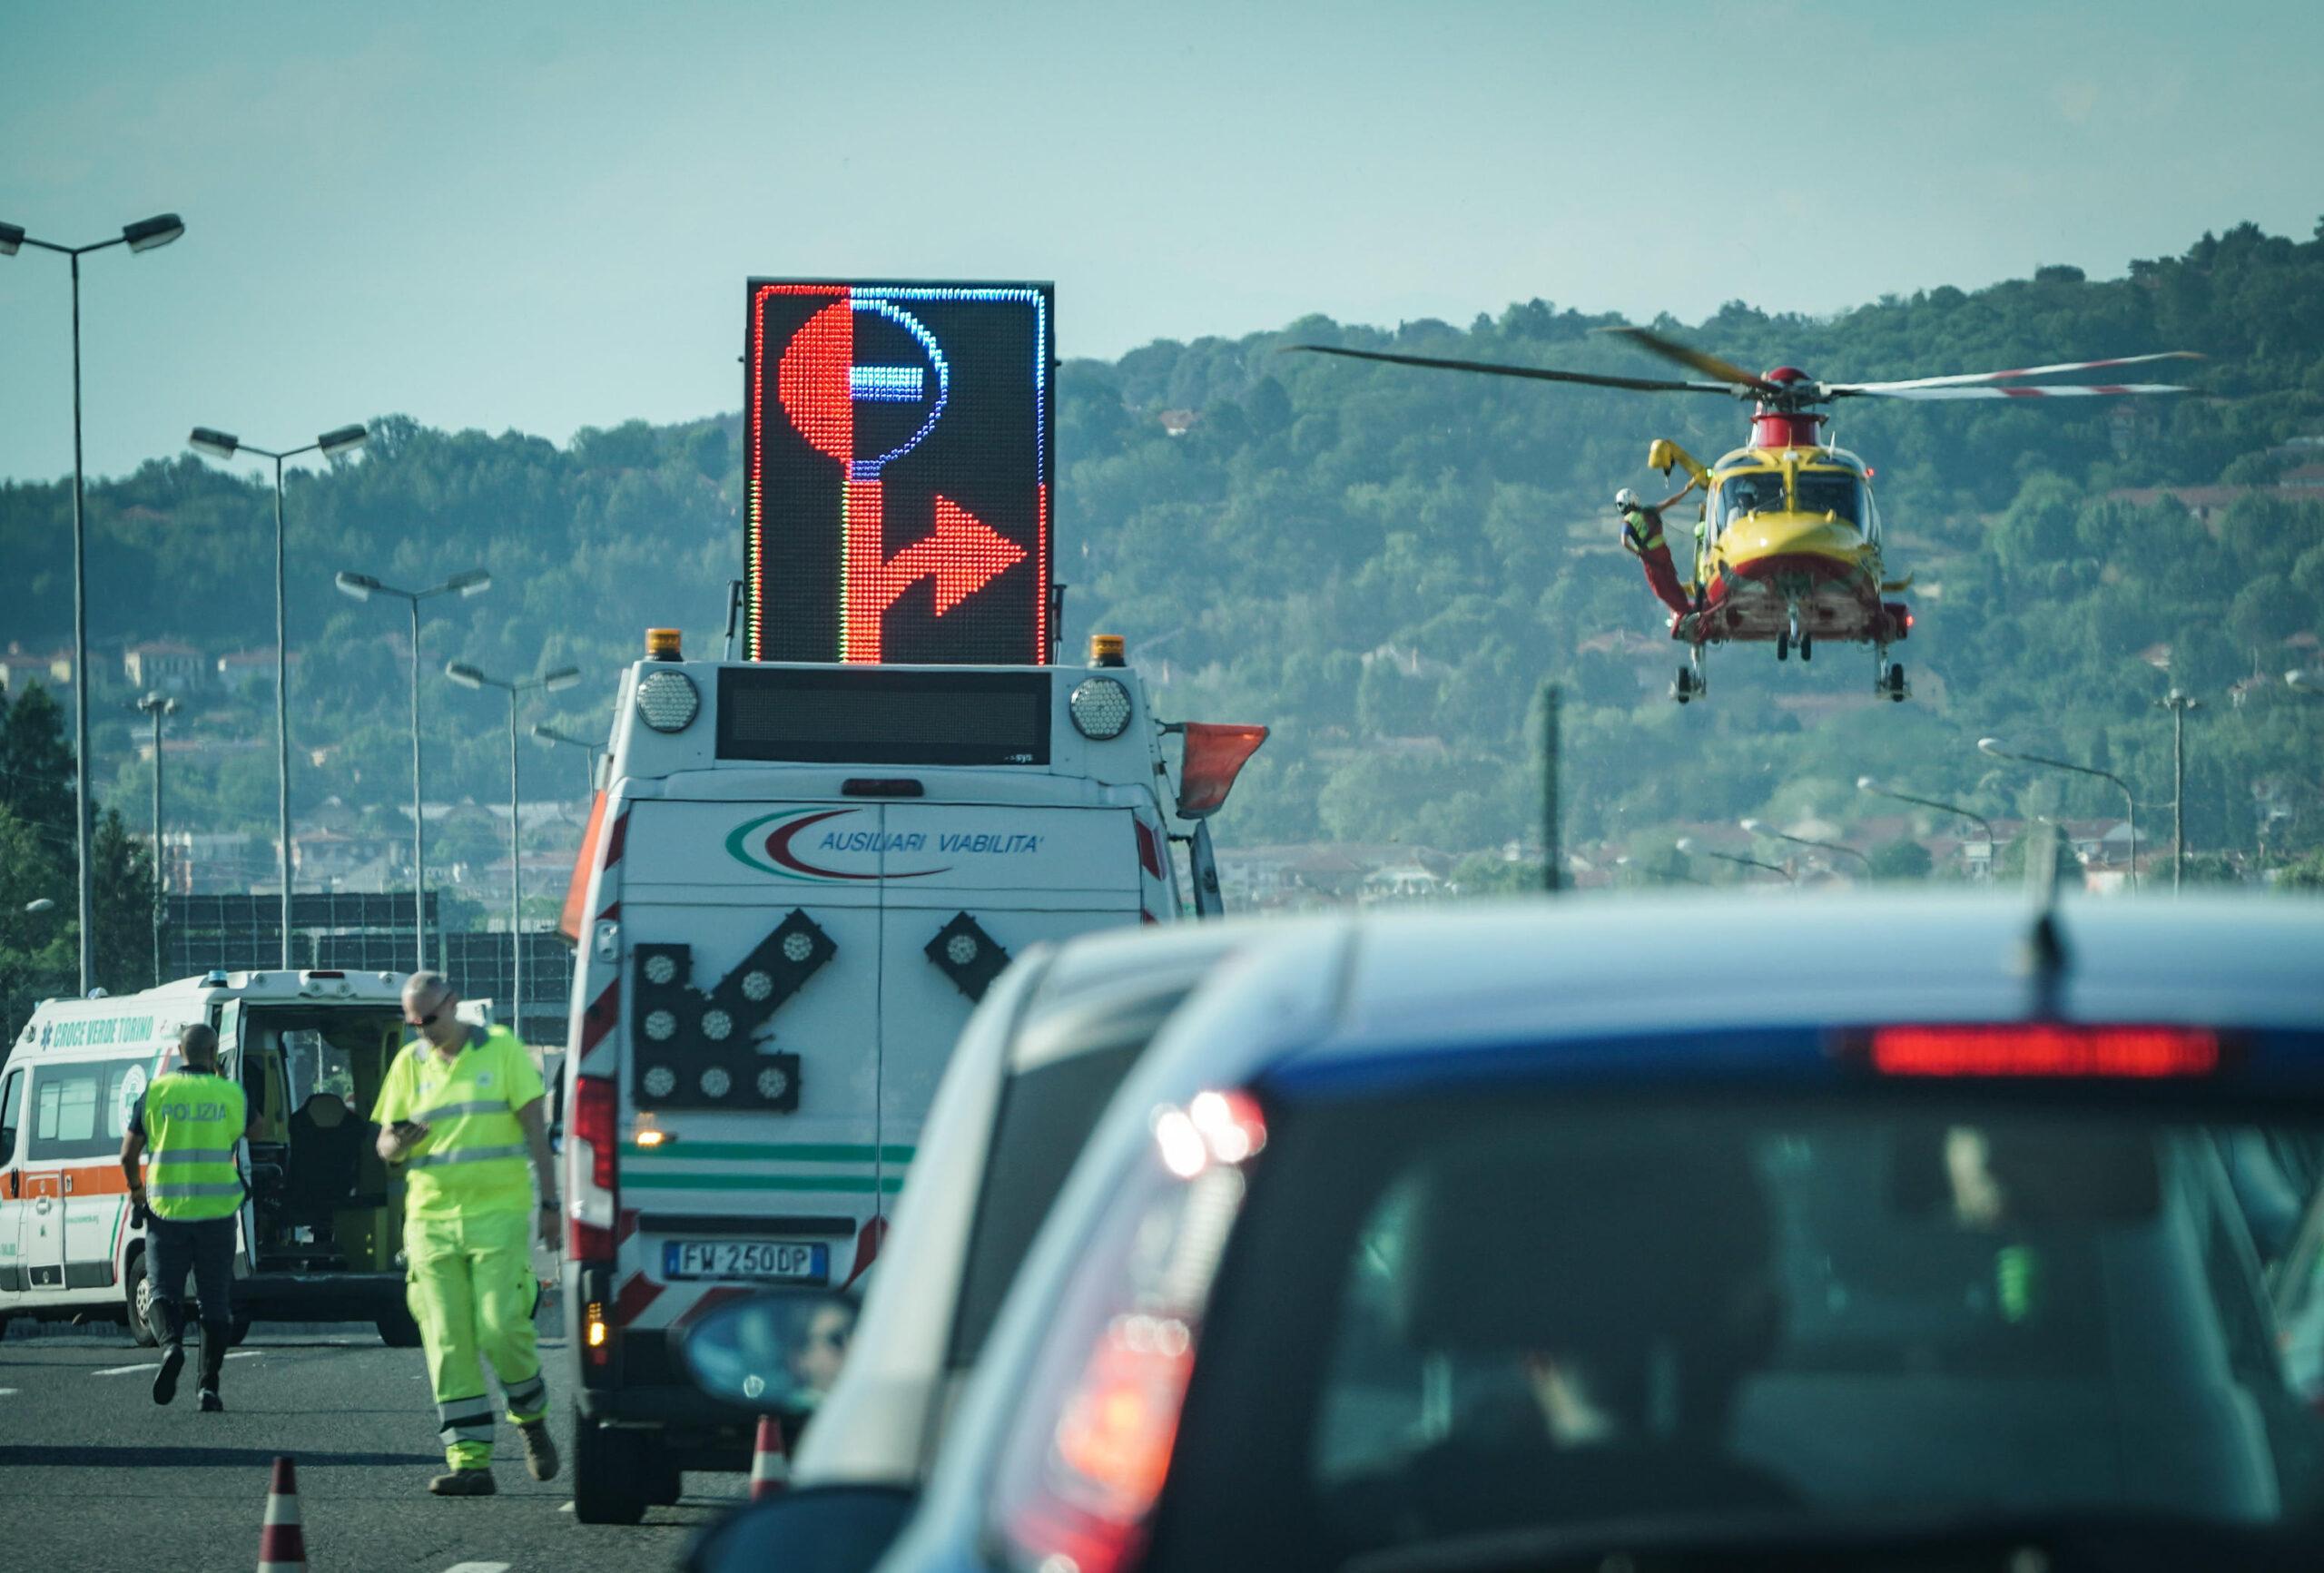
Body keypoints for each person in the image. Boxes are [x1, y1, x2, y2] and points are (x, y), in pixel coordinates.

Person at [374, 971, 561, 1496]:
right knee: (447, 1339)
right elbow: (385, 1146)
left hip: (497, 1213)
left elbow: (535, 1133)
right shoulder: (410, 1063)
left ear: (453, 1005)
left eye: (430, 1019)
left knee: (500, 1325)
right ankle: (470, 1462)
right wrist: (400, 1142)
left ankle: (531, 1422)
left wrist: (551, 1205)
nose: (422, 1031)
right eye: (413, 1023)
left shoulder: (502, 1051)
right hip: (430, 1221)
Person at [120, 1023, 260, 1412]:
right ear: (214, 1051)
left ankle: (170, 1348)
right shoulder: (230, 1093)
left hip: (167, 1211)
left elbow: (128, 1154)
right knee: (215, 1302)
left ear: (180, 1051)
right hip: (216, 1214)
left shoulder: (157, 1091)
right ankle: (207, 1387)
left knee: (163, 1289)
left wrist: (136, 1191)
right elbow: (258, 1130)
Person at [1616, 482, 1699, 617]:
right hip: (1664, 552)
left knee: (1660, 589)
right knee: (1672, 582)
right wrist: (1686, 490)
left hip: (1651, 558)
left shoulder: (1627, 521)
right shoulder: (1649, 511)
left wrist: (1637, 553)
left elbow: (1624, 542)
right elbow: (1670, 501)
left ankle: (1685, 611)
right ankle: (1687, 606)